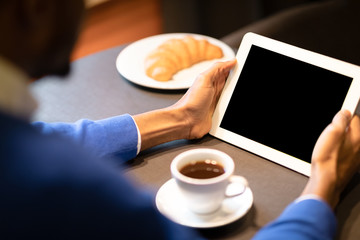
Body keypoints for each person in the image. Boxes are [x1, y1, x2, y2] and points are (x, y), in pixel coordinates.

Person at [1, 0, 359, 239]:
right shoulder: (71, 187)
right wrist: (324, 184)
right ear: (36, 9)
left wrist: (182, 118)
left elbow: (44, 138)